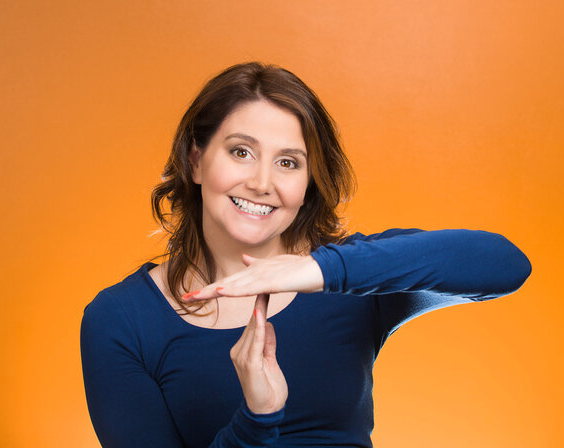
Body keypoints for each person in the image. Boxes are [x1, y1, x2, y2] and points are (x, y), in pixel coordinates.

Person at [80, 61, 532, 447]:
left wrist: (321, 269)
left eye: (288, 162)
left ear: (307, 184)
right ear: (196, 160)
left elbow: (503, 264)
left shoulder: (346, 276)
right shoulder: (120, 320)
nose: (262, 182)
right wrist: (256, 420)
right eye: (241, 152)